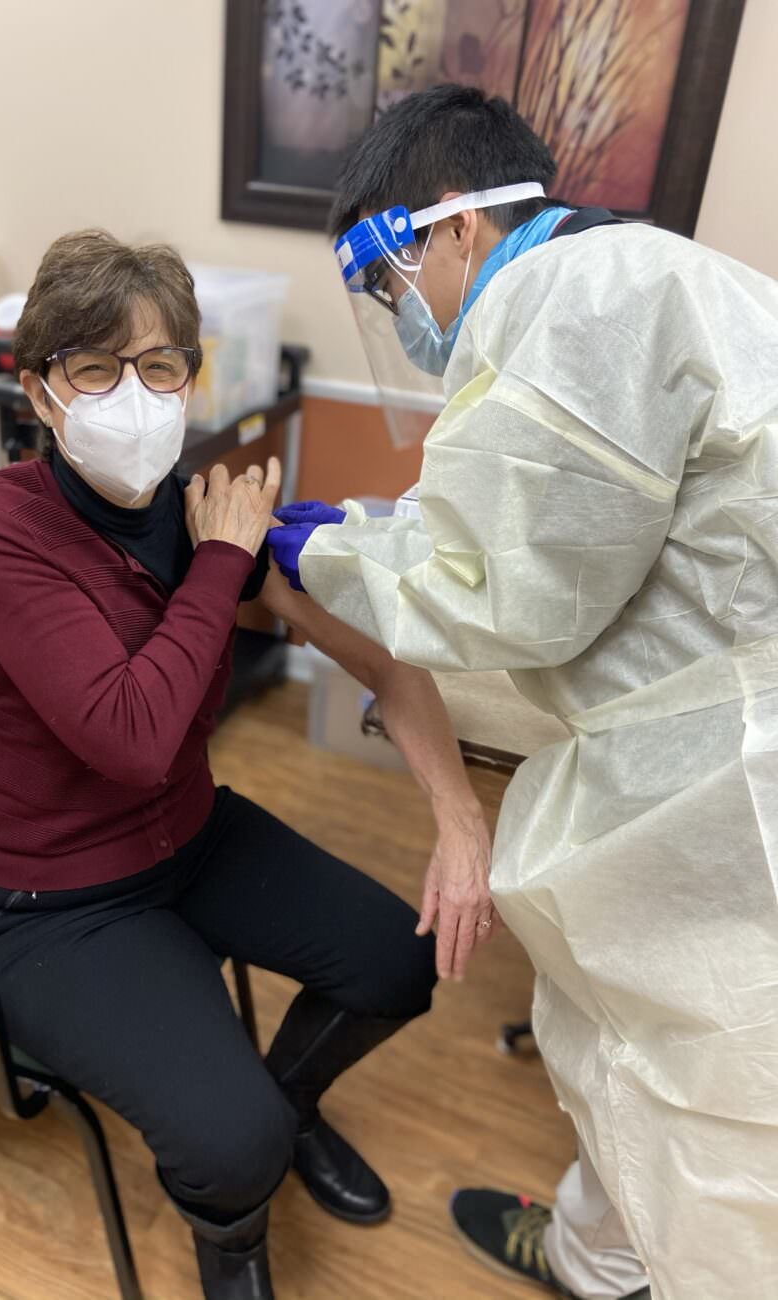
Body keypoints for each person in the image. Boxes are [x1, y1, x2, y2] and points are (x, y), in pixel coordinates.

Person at [267, 85, 778, 1300]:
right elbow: (586, 540)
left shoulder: (573, 302)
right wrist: (379, 540)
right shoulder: (670, 276)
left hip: (726, 777)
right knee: (631, 1054)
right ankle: (599, 1258)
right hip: (714, 705)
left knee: (707, 1097)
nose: (400, 316)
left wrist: (333, 554)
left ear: (452, 221)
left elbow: (505, 593)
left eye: (391, 280)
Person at [0, 230, 495, 1300]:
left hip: (185, 838)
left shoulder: (195, 513)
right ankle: (237, 1216)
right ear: (39, 393)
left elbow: (380, 659)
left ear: (192, 377)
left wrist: (460, 823)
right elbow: (131, 734)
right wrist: (227, 563)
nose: (133, 393)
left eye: (160, 366)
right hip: (47, 896)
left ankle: (286, 1111)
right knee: (228, 1143)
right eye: (94, 368)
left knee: (399, 958)